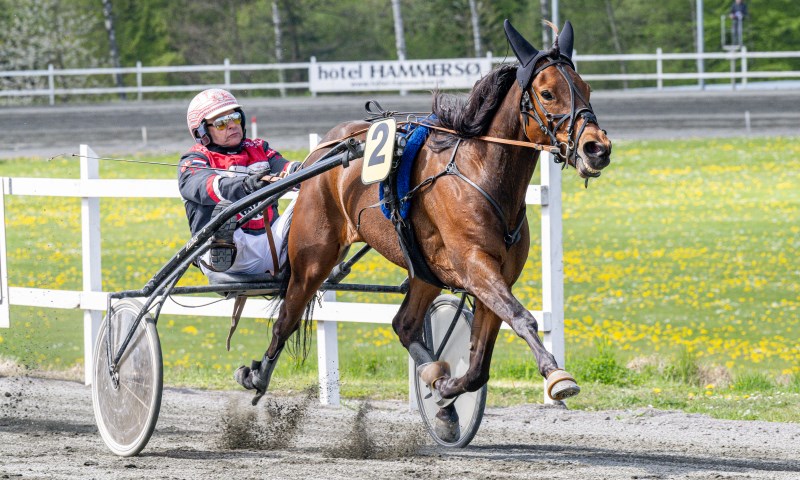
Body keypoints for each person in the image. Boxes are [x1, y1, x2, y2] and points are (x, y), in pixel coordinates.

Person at [178, 88, 301, 276]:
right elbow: (204, 186)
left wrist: (303, 171)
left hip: (272, 246)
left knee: (311, 197)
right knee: (224, 210)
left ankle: (325, 255)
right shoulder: (195, 158)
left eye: (235, 117)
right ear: (202, 132)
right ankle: (220, 244)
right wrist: (245, 186)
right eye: (221, 123)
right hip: (229, 256)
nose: (232, 125)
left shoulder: (260, 148)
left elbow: (286, 169)